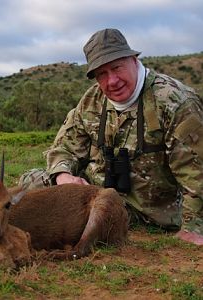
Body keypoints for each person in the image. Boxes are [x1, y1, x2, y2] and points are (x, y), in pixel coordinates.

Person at [19, 28, 203, 246]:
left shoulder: (174, 102)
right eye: (102, 74)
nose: (112, 81)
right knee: (31, 181)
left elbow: (196, 171)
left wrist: (194, 226)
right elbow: (64, 148)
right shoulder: (92, 100)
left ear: (134, 60)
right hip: (95, 194)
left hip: (150, 209)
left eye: (117, 67)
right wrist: (63, 176)